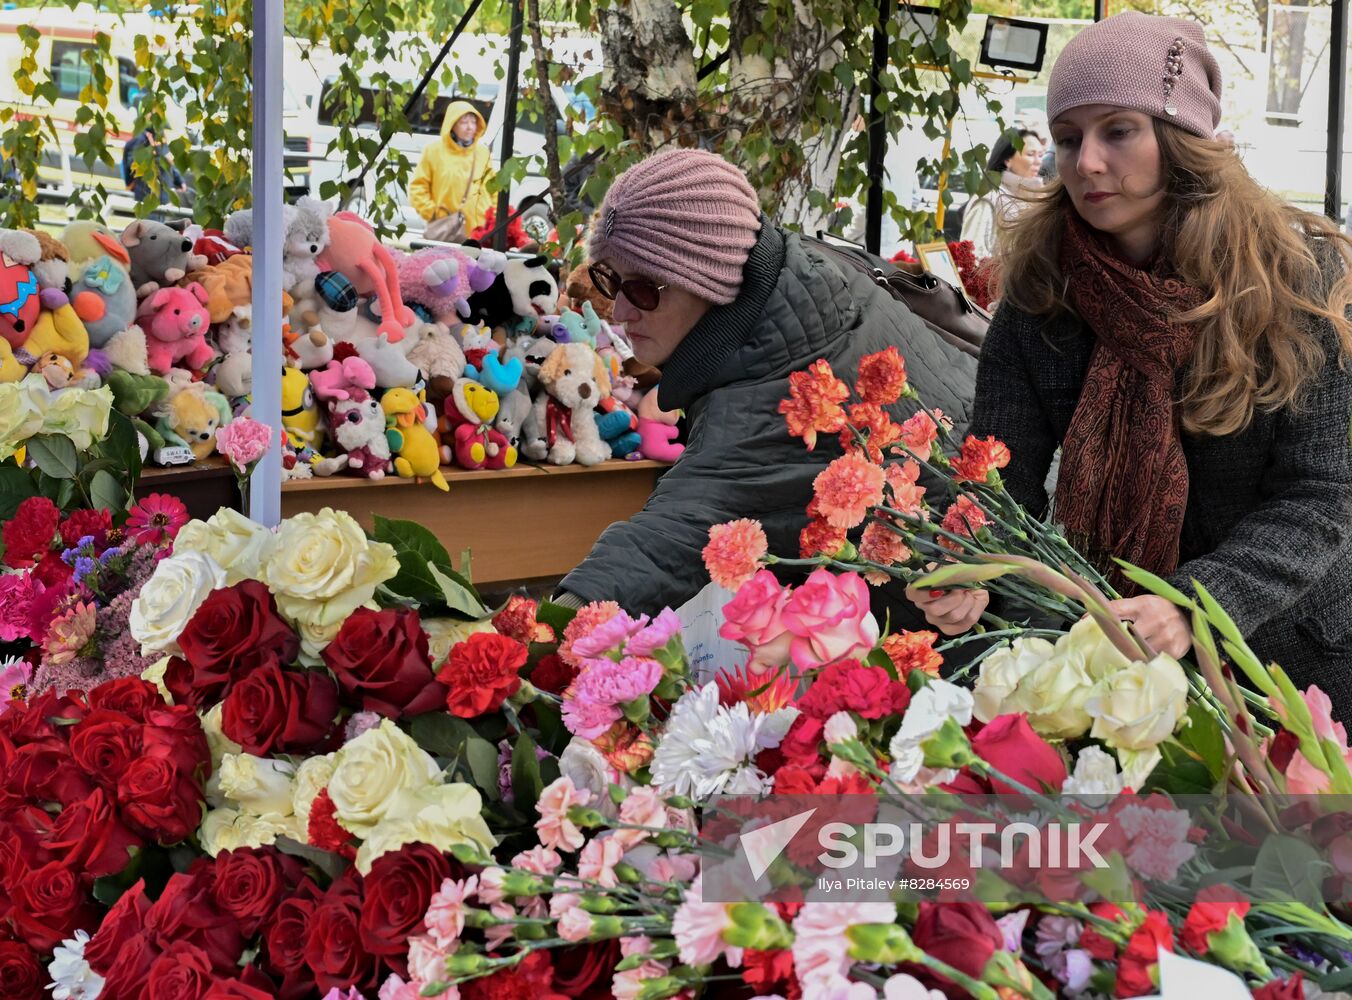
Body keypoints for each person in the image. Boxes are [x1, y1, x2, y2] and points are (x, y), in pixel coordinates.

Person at [906, 12, 1352, 716]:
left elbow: (1321, 495)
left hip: (1288, 663)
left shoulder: (1296, 278)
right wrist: (968, 568)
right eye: (1067, 137)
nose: (1085, 162)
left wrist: (1195, 605)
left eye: (1118, 130)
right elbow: (997, 476)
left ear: (1181, 141)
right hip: (1110, 663)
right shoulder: (1042, 291)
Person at [555, 148, 979, 615]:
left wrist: (558, 620)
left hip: (979, 634)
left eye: (641, 289)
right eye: (609, 280)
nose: (619, 310)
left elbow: (667, 537)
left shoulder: (769, 397)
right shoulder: (808, 272)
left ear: (708, 277)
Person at [409, 100, 495, 235]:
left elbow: (493, 188)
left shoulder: (483, 152)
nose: (470, 127)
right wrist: (433, 213)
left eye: (473, 122)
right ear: (452, 124)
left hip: (480, 231)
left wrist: (493, 216)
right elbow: (418, 188)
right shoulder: (433, 151)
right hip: (448, 229)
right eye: (464, 122)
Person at [958, 129, 1044, 258]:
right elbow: (970, 258)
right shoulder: (989, 199)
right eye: (1031, 154)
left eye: (1041, 155)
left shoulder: (1039, 198)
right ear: (1008, 160)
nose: (1038, 161)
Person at [122, 128, 190, 208]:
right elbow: (133, 167)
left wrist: (180, 181)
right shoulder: (139, 142)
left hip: (164, 195)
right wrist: (158, 157)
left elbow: (169, 166)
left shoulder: (161, 141)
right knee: (149, 218)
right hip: (147, 195)